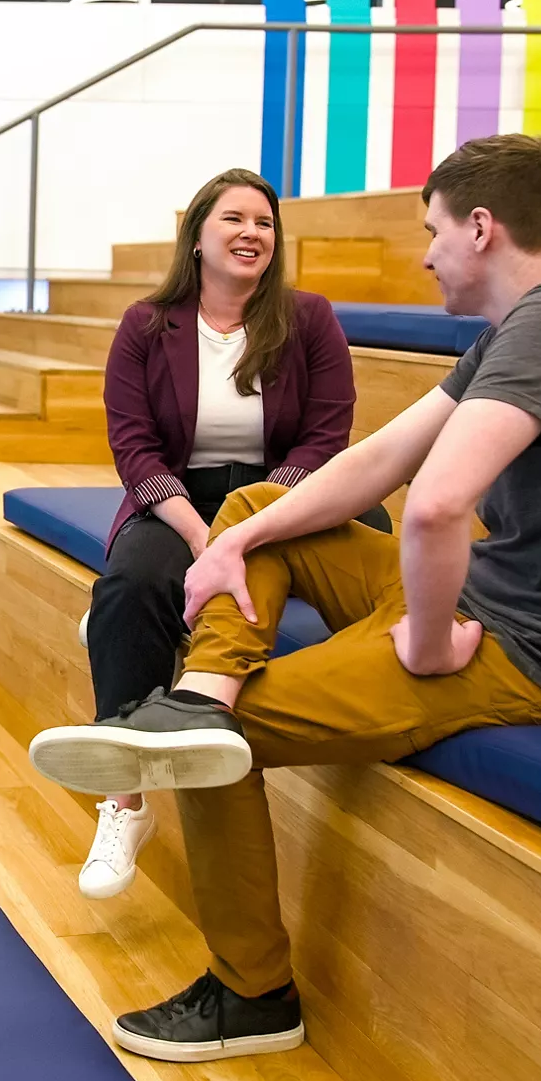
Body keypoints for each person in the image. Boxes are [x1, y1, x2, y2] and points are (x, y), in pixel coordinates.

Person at [30, 134, 541, 1064]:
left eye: (432, 232)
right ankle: (203, 689)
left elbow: (435, 507)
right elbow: (381, 461)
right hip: (492, 598)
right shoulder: (533, 322)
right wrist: (237, 541)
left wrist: (423, 642)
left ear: (480, 227)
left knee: (209, 752)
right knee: (259, 508)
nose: (426, 256)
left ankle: (252, 993)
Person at [78, 168, 384, 903]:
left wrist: (253, 525)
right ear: (197, 237)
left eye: (265, 223)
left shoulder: (309, 318)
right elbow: (134, 447)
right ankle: (124, 801)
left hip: (282, 494)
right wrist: (202, 534)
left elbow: (325, 436)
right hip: (181, 499)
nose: (252, 233)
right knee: (132, 584)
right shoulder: (146, 325)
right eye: (234, 219)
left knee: (372, 541)